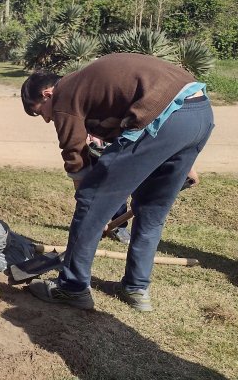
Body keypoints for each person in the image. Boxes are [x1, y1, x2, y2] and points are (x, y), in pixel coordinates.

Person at [20, 53, 213, 312]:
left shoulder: (65, 94)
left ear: (47, 94)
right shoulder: (93, 86)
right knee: (151, 210)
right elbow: (131, 127)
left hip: (164, 116)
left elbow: (73, 152)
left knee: (90, 200)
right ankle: (136, 288)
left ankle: (72, 287)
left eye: (39, 111)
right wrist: (184, 160)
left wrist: (90, 207)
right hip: (198, 113)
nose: (46, 119)